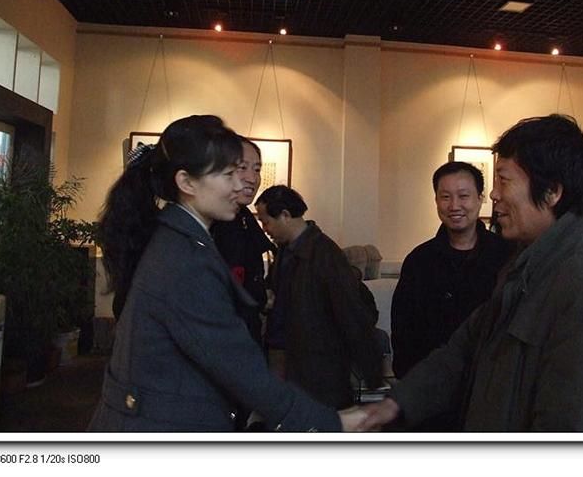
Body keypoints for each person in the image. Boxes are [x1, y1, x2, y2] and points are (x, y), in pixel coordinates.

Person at [349, 114, 583, 432]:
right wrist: (395, 405)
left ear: (552, 191)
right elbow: (465, 349)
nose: (494, 195)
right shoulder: (529, 266)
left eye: (504, 180)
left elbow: (574, 436)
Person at [88, 115, 344, 432]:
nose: (240, 185)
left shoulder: (179, 238)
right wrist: (329, 422)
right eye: (228, 174)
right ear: (187, 183)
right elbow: (235, 364)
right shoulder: (185, 260)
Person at [390, 161, 511, 430]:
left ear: (480, 199)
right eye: (445, 197)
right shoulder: (419, 261)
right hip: (431, 397)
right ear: (436, 201)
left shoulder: (506, 256)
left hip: (489, 395)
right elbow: (403, 329)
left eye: (463, 196)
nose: (454, 205)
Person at [255, 185, 384, 410]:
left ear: (285, 215)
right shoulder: (285, 251)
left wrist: (372, 371)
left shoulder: (325, 255)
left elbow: (351, 313)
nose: (265, 229)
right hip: (288, 361)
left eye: (266, 222)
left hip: (318, 370)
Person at [211, 136, 276, 346]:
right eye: (242, 167)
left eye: (257, 169)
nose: (252, 178)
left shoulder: (244, 217)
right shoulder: (210, 223)